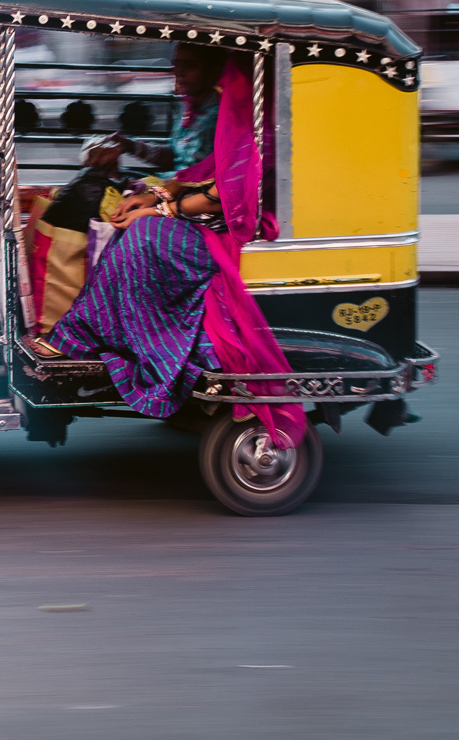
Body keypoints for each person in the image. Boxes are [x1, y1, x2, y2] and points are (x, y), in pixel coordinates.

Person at [30, 51, 307, 452]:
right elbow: (191, 173)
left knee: (142, 238)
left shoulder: (236, 124)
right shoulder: (198, 114)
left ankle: (84, 336)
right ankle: (98, 331)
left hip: (218, 233)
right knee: (130, 226)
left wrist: (160, 206)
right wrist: (152, 192)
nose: (177, 73)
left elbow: (219, 195)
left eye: (188, 64)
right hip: (195, 217)